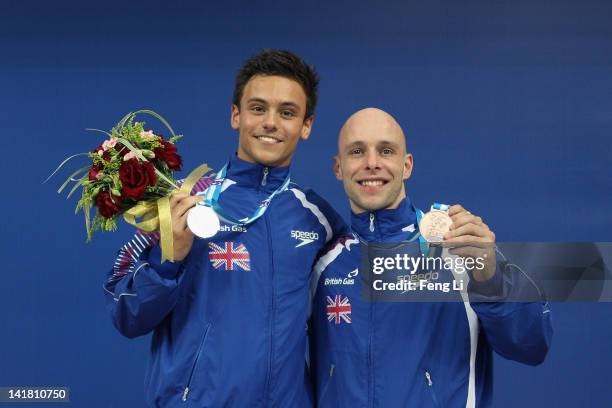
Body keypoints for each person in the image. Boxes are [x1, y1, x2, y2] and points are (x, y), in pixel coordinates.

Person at [103, 49, 346, 407]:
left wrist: (450, 248)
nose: (271, 123)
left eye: (288, 113)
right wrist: (169, 260)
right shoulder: (184, 200)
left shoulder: (317, 219)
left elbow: (368, 284)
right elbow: (126, 315)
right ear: (236, 115)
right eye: (258, 108)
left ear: (306, 125)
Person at [310, 108, 553, 407]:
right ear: (338, 167)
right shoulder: (323, 262)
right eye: (357, 151)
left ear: (407, 165)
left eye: (386, 151)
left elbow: (532, 345)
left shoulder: (459, 247)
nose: (372, 163)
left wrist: (492, 280)